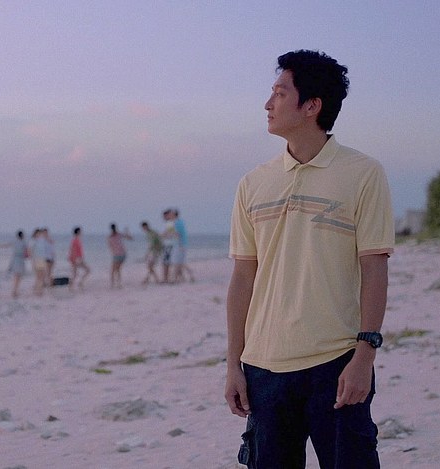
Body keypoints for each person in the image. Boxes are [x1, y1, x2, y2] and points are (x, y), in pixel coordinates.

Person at [224, 50, 394, 469]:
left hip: (336, 363)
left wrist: (365, 356)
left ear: (312, 106)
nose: (268, 104)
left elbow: (374, 267)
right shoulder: (253, 183)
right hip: (263, 368)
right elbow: (243, 277)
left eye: (280, 93)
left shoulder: (363, 173)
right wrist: (233, 365)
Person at [169, 208, 194, 283]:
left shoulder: (177, 222)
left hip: (180, 245)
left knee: (177, 262)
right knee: (181, 262)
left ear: (174, 214)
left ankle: (175, 279)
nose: (170, 215)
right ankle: (188, 276)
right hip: (181, 244)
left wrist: (170, 235)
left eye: (171, 214)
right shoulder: (179, 222)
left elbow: (178, 234)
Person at [107, 223, 132, 289]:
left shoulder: (110, 237)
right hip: (123, 254)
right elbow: (130, 238)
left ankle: (113, 285)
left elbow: (110, 247)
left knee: (113, 270)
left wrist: (113, 252)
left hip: (117, 255)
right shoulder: (119, 234)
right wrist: (127, 231)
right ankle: (118, 284)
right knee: (118, 269)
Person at [7, 230, 28, 298]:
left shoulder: (15, 242)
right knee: (18, 277)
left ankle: (14, 291)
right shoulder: (23, 242)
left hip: (14, 260)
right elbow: (26, 253)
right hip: (20, 260)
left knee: (15, 277)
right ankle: (15, 291)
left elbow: (6, 245)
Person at [68, 226, 90, 290]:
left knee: (77, 273)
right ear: (78, 232)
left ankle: (78, 283)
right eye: (80, 231)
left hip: (77, 258)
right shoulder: (75, 240)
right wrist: (75, 259)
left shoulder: (77, 240)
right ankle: (77, 284)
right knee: (86, 270)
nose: (81, 232)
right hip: (76, 259)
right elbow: (73, 250)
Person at [29, 228, 49, 296]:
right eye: (38, 233)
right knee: (39, 276)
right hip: (37, 260)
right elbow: (30, 251)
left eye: (40, 233)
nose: (40, 234)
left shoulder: (41, 240)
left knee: (42, 276)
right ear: (35, 234)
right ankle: (39, 291)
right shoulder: (33, 241)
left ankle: (38, 289)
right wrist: (32, 261)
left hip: (42, 260)